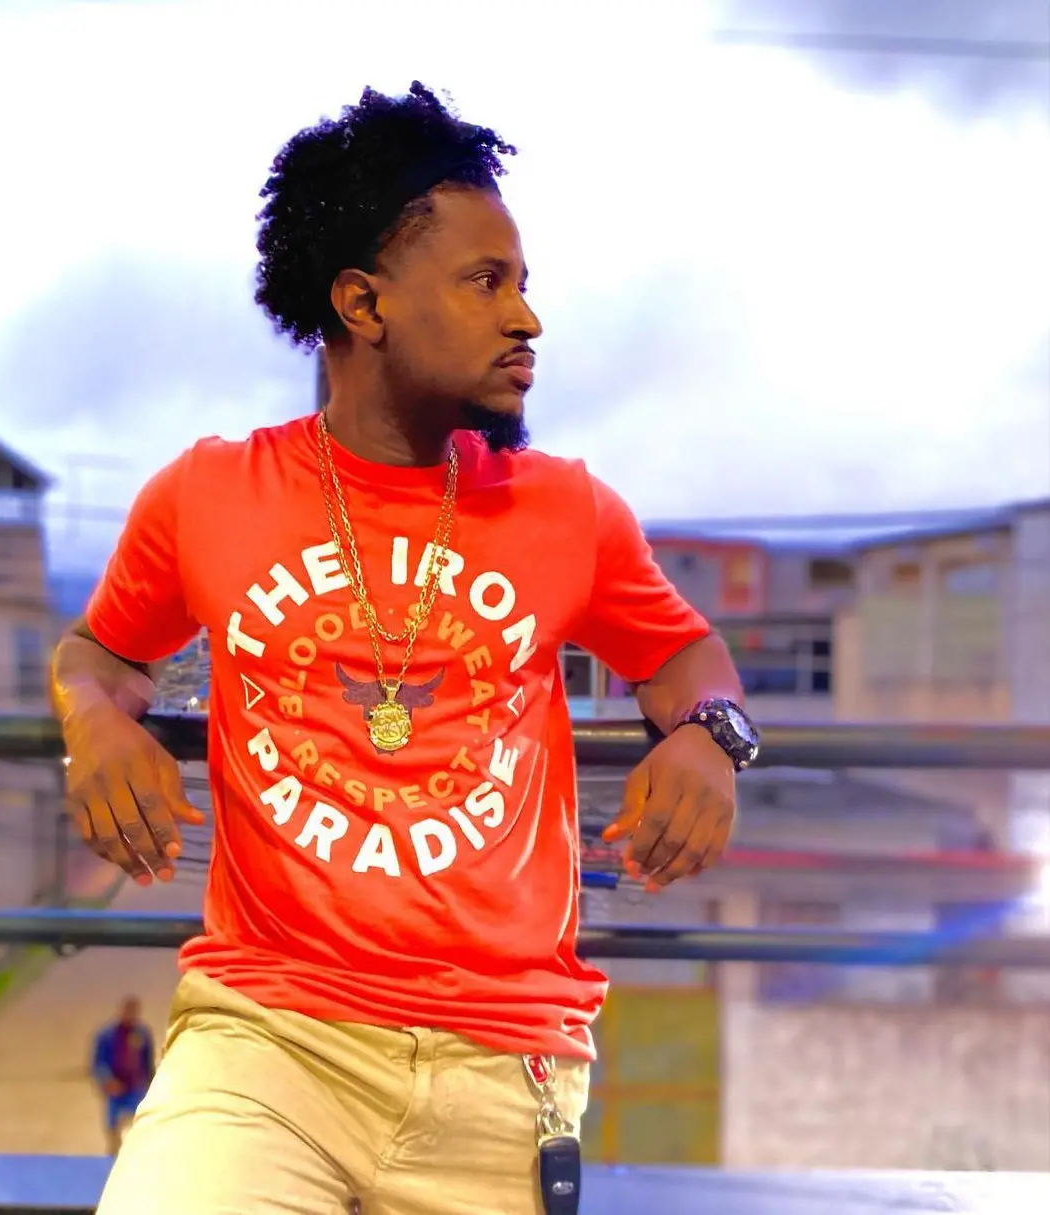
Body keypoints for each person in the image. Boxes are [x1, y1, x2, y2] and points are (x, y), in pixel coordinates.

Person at [52, 82, 759, 1215]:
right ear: (363, 302)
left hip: (504, 1066)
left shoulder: (567, 510)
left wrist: (712, 739)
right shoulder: (206, 495)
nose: (527, 319)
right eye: (487, 282)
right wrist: (92, 724)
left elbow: (686, 658)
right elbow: (99, 652)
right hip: (266, 1046)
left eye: (523, 284)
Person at [90, 996, 156, 1156]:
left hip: (135, 1087)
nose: (131, 1015)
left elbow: (147, 1061)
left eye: (134, 1012)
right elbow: (99, 1062)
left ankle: (136, 1153)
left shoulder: (142, 1034)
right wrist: (107, 1080)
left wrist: (151, 1084)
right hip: (115, 1088)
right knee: (112, 1125)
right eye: (128, 1011)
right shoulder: (106, 1035)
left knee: (139, 1122)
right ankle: (113, 1153)